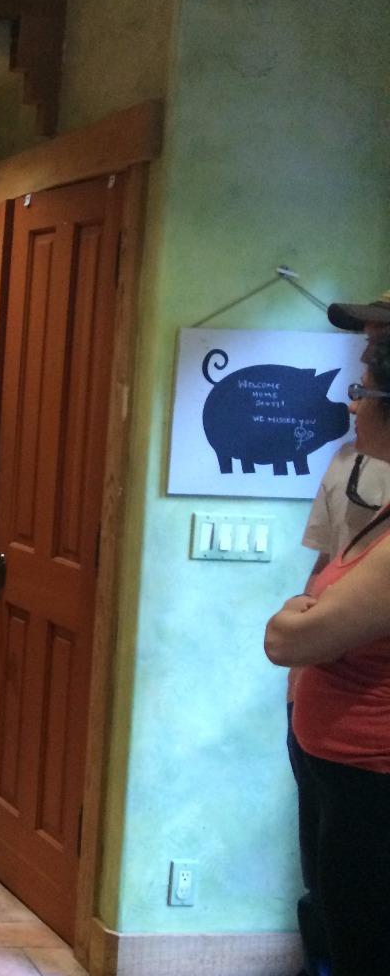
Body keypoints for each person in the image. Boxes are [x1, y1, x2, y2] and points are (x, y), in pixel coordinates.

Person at [266, 331, 390, 975]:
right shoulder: (349, 464)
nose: (352, 402)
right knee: (330, 895)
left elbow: (288, 636)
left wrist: (300, 625)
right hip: (325, 740)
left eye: (363, 389)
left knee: (364, 927)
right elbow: (325, 574)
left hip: (372, 771)